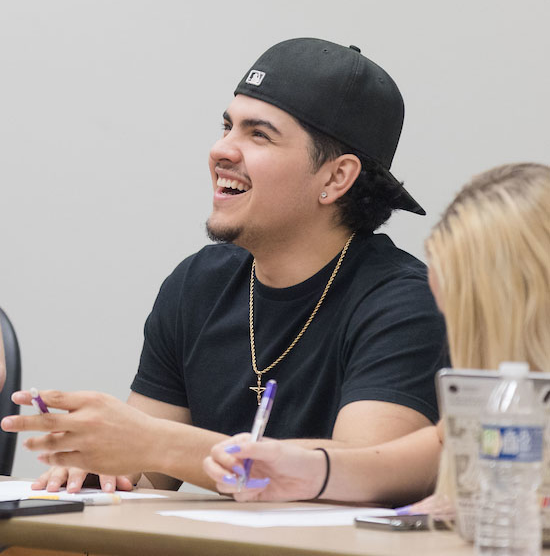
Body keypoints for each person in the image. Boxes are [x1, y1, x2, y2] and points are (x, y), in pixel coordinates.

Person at [2, 38, 447, 493]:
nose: (221, 150)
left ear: (336, 177)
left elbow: (358, 482)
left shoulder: (405, 303)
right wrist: (101, 466)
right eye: (226, 126)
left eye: (259, 134)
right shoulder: (199, 283)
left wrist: (156, 444)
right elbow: (146, 473)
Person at [202, 162, 550, 508]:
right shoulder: (500, 398)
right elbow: (425, 450)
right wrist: (300, 467)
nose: (456, 340)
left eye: (462, 317)